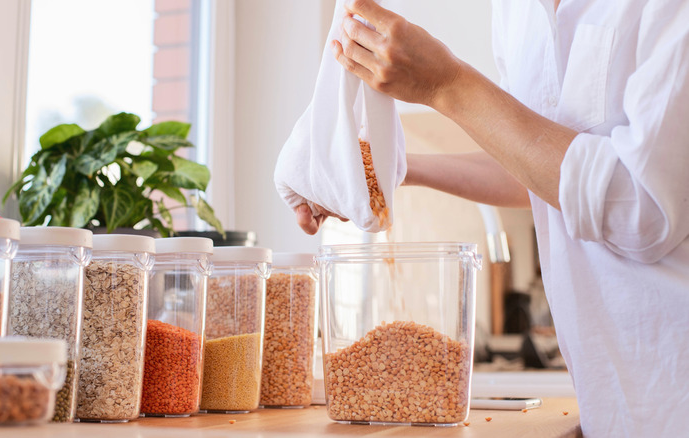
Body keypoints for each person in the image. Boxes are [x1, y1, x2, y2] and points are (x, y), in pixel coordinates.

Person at [293, 0, 689, 436]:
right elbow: (535, 170)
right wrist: (388, 170)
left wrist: (448, 84)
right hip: (612, 410)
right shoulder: (515, 10)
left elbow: (641, 204)